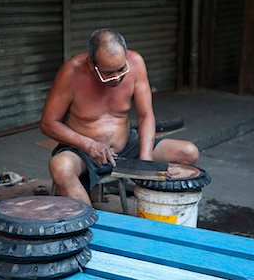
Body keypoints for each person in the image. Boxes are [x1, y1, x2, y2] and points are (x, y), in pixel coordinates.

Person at [40, 28, 199, 205]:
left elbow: (146, 116)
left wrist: (145, 161)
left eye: (121, 69)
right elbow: (48, 124)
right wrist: (89, 145)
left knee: (188, 153)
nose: (117, 77)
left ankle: (162, 216)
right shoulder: (71, 72)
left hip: (127, 146)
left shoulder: (136, 63)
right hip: (84, 152)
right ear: (92, 64)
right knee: (60, 167)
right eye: (108, 73)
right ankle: (91, 226)